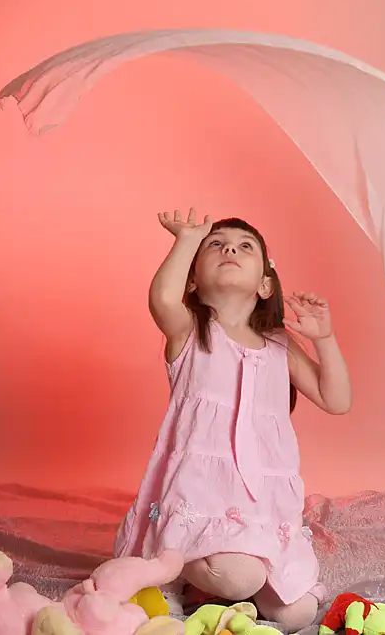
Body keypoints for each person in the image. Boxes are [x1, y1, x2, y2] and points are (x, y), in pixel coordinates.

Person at [115, 208, 352, 631]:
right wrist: (187, 239)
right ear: (193, 280)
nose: (230, 250)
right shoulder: (191, 330)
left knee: (296, 613)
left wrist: (325, 339)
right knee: (242, 578)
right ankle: (175, 564)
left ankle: (219, 580)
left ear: (265, 284)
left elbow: (336, 400)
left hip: (262, 503)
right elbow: (162, 299)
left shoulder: (280, 344)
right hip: (202, 495)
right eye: (216, 245)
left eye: (245, 247)